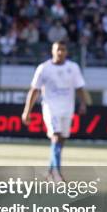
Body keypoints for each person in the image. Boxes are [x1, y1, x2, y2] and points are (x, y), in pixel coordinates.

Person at [22, 41, 87, 182]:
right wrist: (27, 111)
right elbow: (34, 90)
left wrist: (83, 103)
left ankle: (50, 172)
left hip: (67, 108)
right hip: (51, 108)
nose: (60, 52)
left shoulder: (73, 67)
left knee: (61, 141)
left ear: (66, 52)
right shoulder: (44, 68)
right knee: (56, 137)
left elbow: (80, 87)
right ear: (52, 51)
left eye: (63, 50)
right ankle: (57, 174)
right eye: (57, 50)